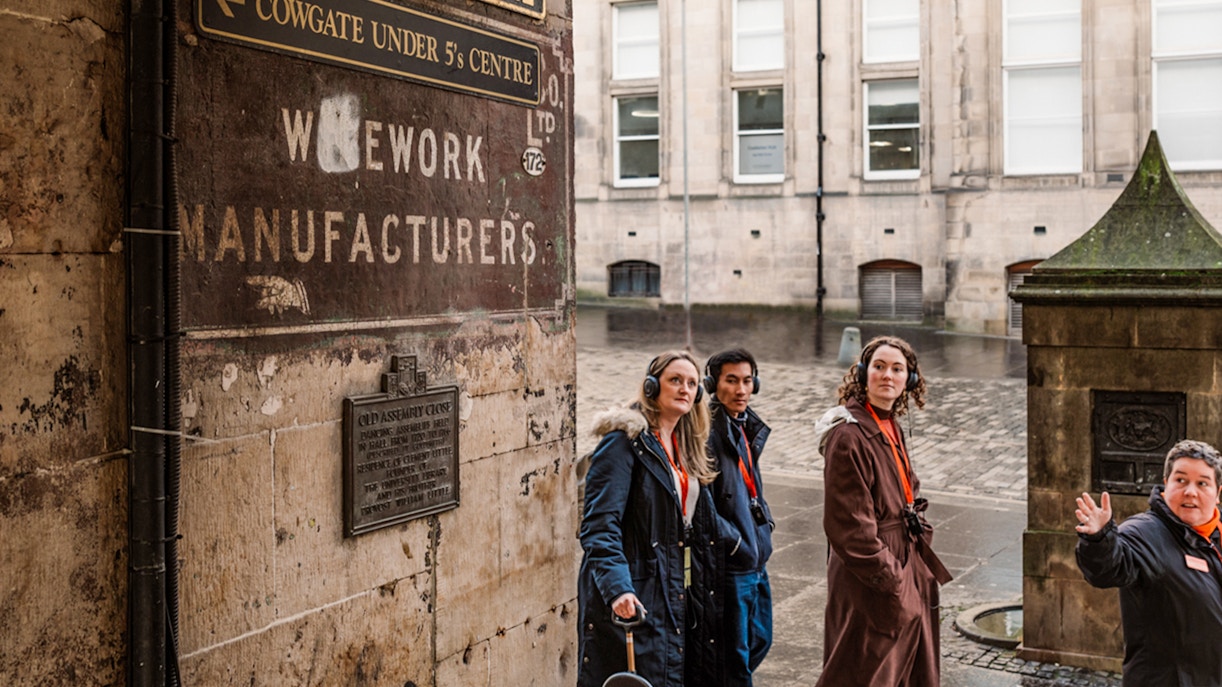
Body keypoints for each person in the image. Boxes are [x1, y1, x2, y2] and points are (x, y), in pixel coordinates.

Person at [577, 351, 725, 687]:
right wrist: (618, 590)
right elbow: (599, 526)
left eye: (692, 383)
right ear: (651, 386)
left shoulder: (683, 446)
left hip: (674, 587)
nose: (685, 389)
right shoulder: (623, 444)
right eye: (675, 380)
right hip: (636, 592)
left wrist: (746, 548)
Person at [812, 335, 952, 687]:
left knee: (906, 671)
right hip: (872, 578)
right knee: (864, 670)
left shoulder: (888, 424)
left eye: (897, 369)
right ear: (863, 374)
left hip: (905, 559)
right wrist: (894, 583)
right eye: (878, 366)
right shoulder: (848, 437)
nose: (887, 375)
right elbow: (850, 529)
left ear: (910, 380)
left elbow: (907, 488)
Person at [1074, 439, 1222, 687]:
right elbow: (1109, 568)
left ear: (1217, 494)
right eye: (1181, 480)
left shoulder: (1215, 534)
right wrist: (1099, 539)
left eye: (1202, 483)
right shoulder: (1145, 532)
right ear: (1166, 485)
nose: (1190, 491)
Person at [705, 348, 774, 685]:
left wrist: (766, 526)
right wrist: (733, 542)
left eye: (747, 381)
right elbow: (700, 505)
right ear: (713, 384)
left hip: (756, 556)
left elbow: (754, 488)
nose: (741, 389)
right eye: (731, 381)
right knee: (734, 662)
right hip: (733, 564)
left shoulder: (745, 426)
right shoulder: (707, 433)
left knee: (761, 640)